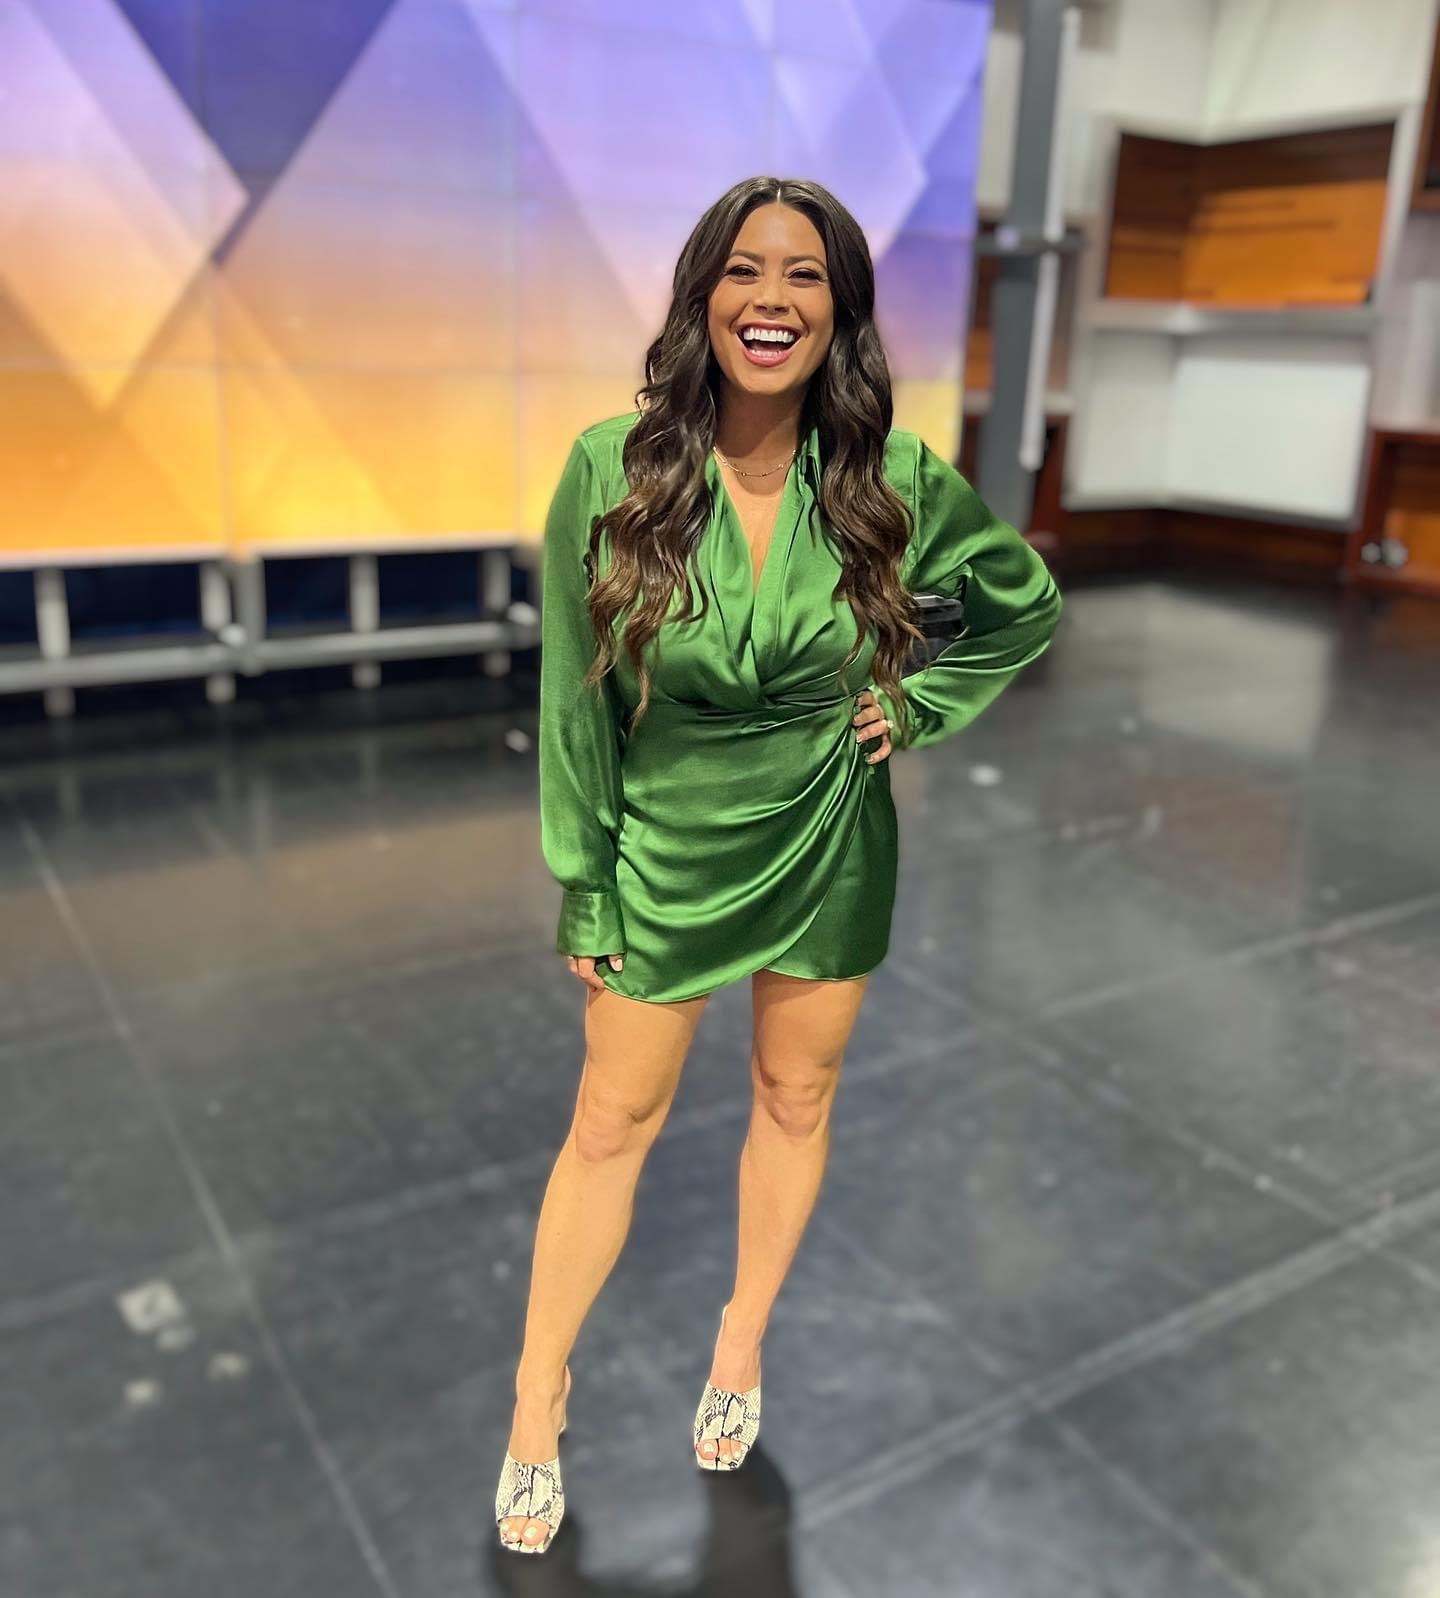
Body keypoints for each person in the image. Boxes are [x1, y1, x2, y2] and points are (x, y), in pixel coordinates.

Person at [495, 176, 1063, 1555]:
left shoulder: (893, 479)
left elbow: (1022, 603)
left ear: (839, 312)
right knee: (609, 1125)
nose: (771, 299)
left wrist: (916, 706)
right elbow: (575, 698)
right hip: (668, 844)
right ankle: (536, 1396)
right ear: (703, 296)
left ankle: (740, 1342)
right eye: (744, 270)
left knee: (795, 1097)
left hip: (829, 832)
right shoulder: (611, 467)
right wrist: (587, 878)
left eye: (804, 276)